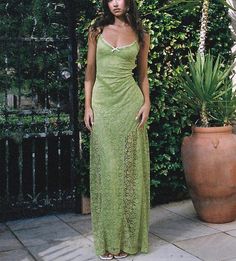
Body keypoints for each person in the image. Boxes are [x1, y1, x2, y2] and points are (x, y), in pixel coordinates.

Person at [84, 0, 151, 259]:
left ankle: (126, 242)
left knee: (128, 172)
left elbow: (143, 75)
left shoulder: (142, 34)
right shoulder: (96, 31)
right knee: (107, 171)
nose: (115, 3)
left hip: (129, 106)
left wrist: (147, 103)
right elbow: (90, 72)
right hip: (102, 105)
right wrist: (87, 107)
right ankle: (108, 241)